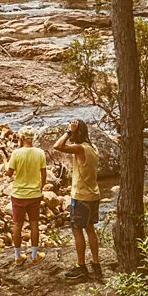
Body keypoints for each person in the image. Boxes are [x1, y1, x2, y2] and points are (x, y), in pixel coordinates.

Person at [53, 119, 102, 282]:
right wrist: (72, 130)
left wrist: (68, 132)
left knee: (76, 229)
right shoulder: (91, 148)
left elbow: (57, 146)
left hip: (81, 196)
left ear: (78, 133)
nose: (70, 133)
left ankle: (81, 266)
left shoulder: (80, 148)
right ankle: (96, 264)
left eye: (73, 131)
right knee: (90, 229)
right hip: (93, 194)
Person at [6, 126, 47, 265]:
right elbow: (44, 175)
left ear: (22, 138)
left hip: (18, 194)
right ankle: (35, 255)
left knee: (17, 225)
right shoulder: (40, 153)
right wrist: (39, 188)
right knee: (34, 224)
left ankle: (18, 256)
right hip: (34, 194)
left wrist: (6, 164)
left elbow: (9, 173)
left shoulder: (16, 153)